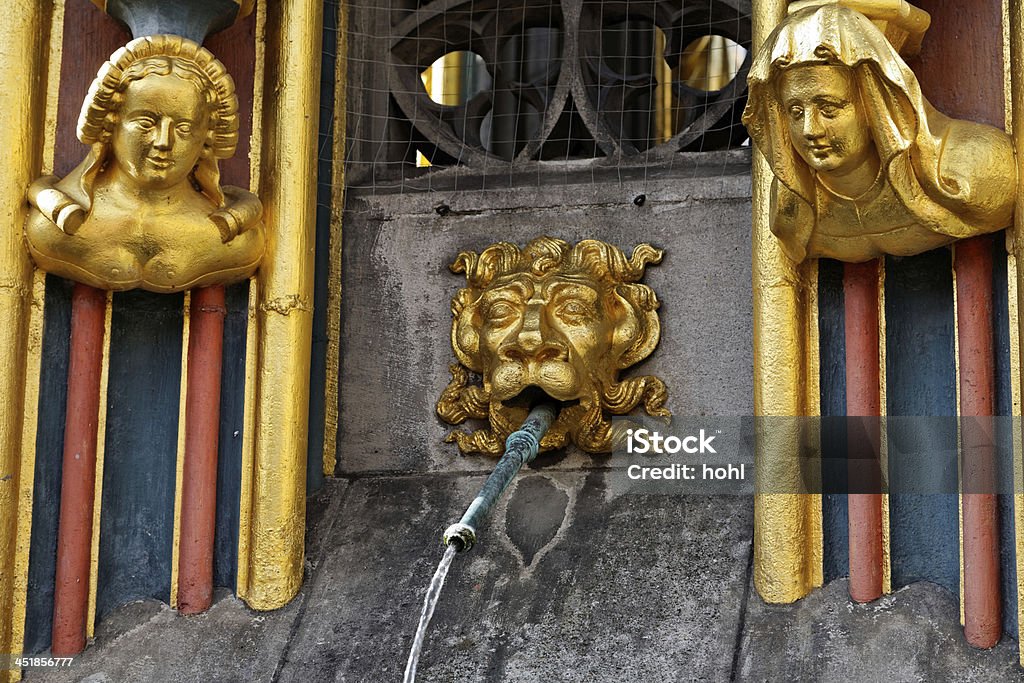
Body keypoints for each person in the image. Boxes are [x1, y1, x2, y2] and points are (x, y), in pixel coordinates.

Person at [741, 4, 1015, 263]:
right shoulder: (793, 211)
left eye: (829, 109)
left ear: (873, 105)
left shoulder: (972, 170)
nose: (810, 130)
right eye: (796, 112)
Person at [26, 34, 264, 292]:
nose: (164, 141)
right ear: (110, 123)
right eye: (145, 123)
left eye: (184, 128)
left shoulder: (235, 239)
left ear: (206, 138)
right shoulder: (58, 226)